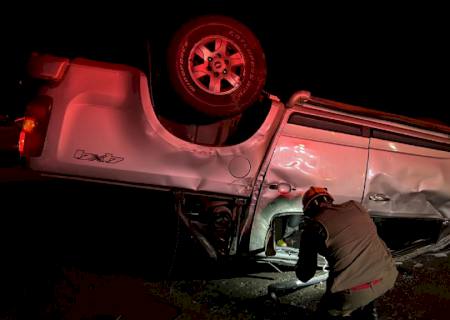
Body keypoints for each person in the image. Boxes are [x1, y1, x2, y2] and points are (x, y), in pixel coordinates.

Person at [295, 187, 398, 319]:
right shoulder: (356, 207)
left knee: (326, 311)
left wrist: (303, 257)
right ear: (330, 200)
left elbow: (305, 275)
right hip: (387, 276)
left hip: (352, 293)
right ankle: (368, 311)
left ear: (309, 211)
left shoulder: (314, 228)